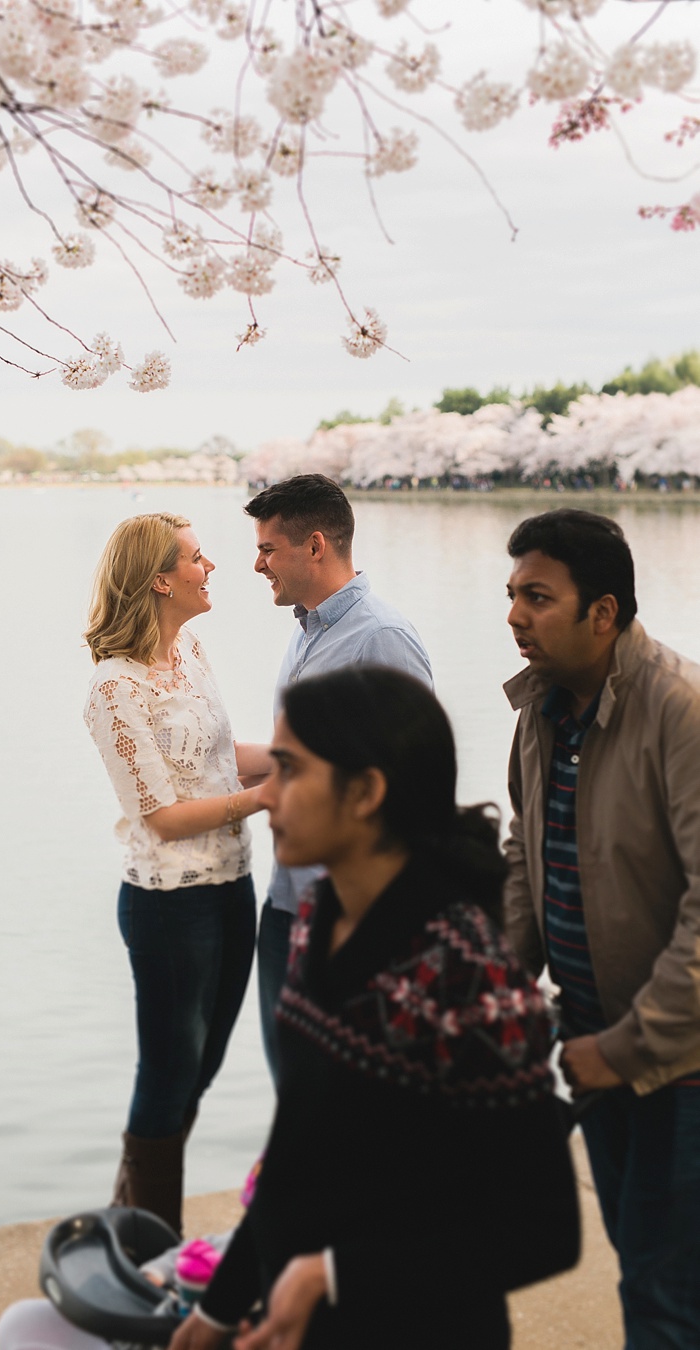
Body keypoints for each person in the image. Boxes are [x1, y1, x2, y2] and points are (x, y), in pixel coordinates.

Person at [170, 666, 580, 1350]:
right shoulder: (318, 917)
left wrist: (332, 1274)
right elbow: (298, 1150)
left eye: (292, 772)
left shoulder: (465, 974)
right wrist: (219, 1307)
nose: (267, 796)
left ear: (365, 792)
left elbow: (543, 1231)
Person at [503, 508, 700, 1347]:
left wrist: (625, 1048)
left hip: (678, 1066)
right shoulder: (539, 712)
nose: (515, 614)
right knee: (648, 1272)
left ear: (604, 612)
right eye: (511, 595)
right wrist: (502, 987)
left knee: (665, 1297)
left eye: (538, 597)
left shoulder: (679, 711)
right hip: (590, 1048)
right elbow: (525, 854)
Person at [83, 512, 271, 1234]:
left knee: (204, 1064)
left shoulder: (190, 652)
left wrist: (296, 755)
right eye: (197, 558)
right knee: (168, 1073)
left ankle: (126, 1218)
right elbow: (161, 815)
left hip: (232, 887)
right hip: (169, 908)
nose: (211, 567)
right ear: (162, 579)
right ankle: (148, 1245)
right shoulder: (113, 690)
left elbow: (221, 759)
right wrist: (267, 798)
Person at [244, 474, 433, 1078]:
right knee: (296, 1095)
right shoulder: (306, 634)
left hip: (349, 918)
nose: (257, 564)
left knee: (349, 1102)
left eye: (268, 549)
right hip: (287, 904)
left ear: (316, 545)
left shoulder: (380, 638)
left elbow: (416, 783)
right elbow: (290, 761)